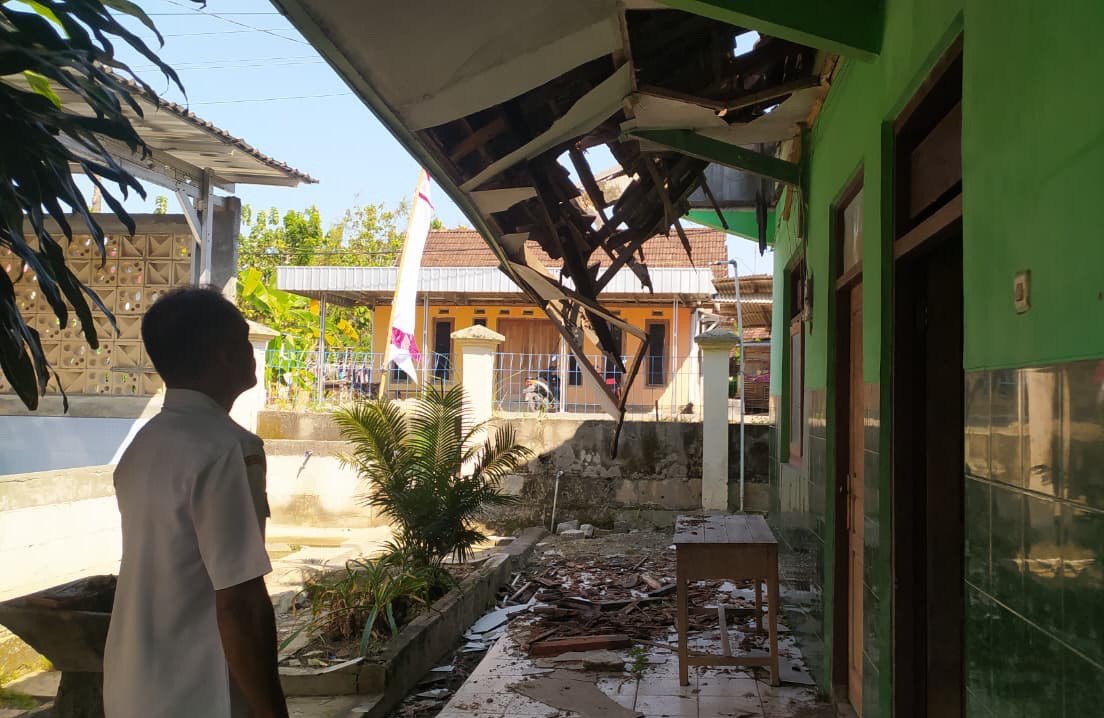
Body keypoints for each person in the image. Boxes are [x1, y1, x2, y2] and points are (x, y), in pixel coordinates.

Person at [104, 287, 289, 718]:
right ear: (225, 353)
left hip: (131, 685)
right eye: (245, 340)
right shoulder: (227, 449)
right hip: (200, 691)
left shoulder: (144, 445)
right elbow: (239, 600)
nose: (252, 352)